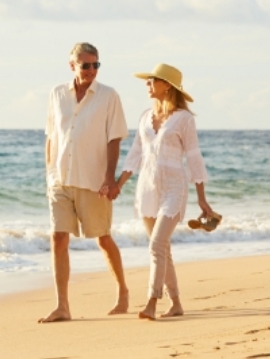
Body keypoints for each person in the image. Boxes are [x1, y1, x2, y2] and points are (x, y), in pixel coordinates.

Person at [116, 63, 216, 320]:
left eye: (152, 81)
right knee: (162, 249)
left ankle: (152, 301)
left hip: (174, 188)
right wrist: (119, 184)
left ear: (167, 85)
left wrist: (202, 199)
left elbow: (194, 157)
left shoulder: (184, 119)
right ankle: (176, 303)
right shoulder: (143, 117)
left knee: (156, 245)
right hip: (147, 188)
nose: (147, 85)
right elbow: (136, 153)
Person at [39, 42, 129, 323]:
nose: (91, 70)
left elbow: (115, 138)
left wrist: (109, 178)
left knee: (102, 238)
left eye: (96, 65)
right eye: (85, 65)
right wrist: (50, 173)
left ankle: (123, 292)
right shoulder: (56, 94)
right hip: (60, 179)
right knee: (58, 238)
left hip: (93, 180)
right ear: (72, 66)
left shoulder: (108, 96)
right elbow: (51, 136)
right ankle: (62, 306)